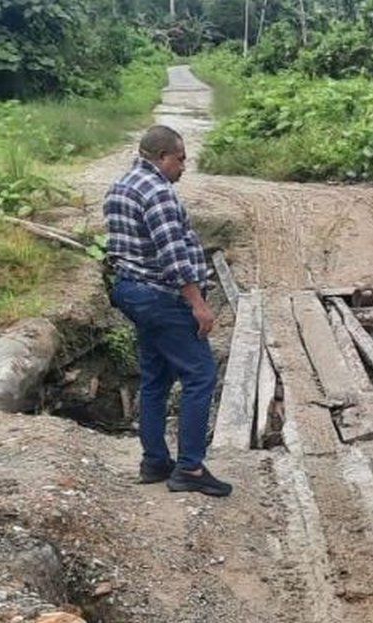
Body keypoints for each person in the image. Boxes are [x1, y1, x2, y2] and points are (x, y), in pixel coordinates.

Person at [105, 125, 232, 498]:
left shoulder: (121, 185)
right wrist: (198, 305)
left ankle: (155, 461)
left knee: (155, 378)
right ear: (162, 157)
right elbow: (173, 258)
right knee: (200, 375)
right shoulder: (158, 192)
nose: (183, 167)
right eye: (180, 159)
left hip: (133, 291)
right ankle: (190, 468)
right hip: (160, 296)